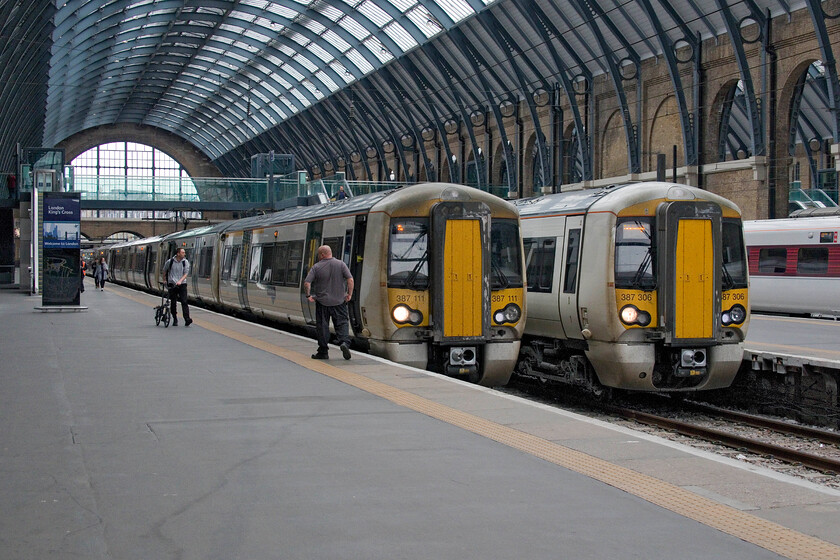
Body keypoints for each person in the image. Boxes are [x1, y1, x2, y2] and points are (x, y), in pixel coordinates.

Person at [303, 245, 353, 360]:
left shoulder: (316, 267)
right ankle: (344, 342)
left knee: (322, 327)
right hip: (339, 301)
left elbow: (307, 283)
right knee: (342, 323)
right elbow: (350, 279)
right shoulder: (341, 264)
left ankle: (323, 352)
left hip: (322, 302)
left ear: (322, 255)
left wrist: (308, 295)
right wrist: (349, 294)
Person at [162, 248, 192, 327]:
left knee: (184, 301)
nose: (184, 254)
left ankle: (187, 319)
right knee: (173, 302)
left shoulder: (185, 262)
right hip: (172, 284)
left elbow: (185, 274)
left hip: (182, 284)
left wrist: (180, 281)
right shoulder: (170, 262)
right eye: (183, 252)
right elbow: (164, 271)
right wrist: (164, 280)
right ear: (178, 253)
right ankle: (175, 318)